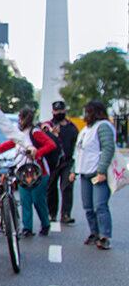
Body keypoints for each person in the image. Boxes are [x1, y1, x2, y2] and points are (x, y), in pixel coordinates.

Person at [0, 108, 56, 237]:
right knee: (25, 200)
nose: (19, 121)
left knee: (37, 199)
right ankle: (27, 228)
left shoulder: (35, 133)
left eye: (21, 118)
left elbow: (51, 144)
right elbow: (11, 143)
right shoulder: (20, 133)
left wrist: (36, 154)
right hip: (22, 171)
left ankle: (45, 224)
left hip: (37, 171)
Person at [70, 100, 115, 250]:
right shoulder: (86, 129)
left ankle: (104, 236)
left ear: (95, 112)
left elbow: (108, 149)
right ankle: (94, 233)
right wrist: (72, 170)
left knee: (100, 206)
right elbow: (78, 152)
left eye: (88, 112)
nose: (85, 115)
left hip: (97, 173)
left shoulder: (103, 127)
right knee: (88, 207)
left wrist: (102, 170)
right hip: (84, 172)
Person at [43, 100, 78, 224]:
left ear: (65, 111)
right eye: (56, 111)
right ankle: (52, 213)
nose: (59, 113)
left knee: (67, 186)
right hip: (52, 162)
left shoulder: (71, 128)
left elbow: (77, 146)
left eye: (61, 111)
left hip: (67, 161)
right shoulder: (47, 126)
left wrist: (75, 167)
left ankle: (66, 214)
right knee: (51, 188)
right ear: (52, 112)